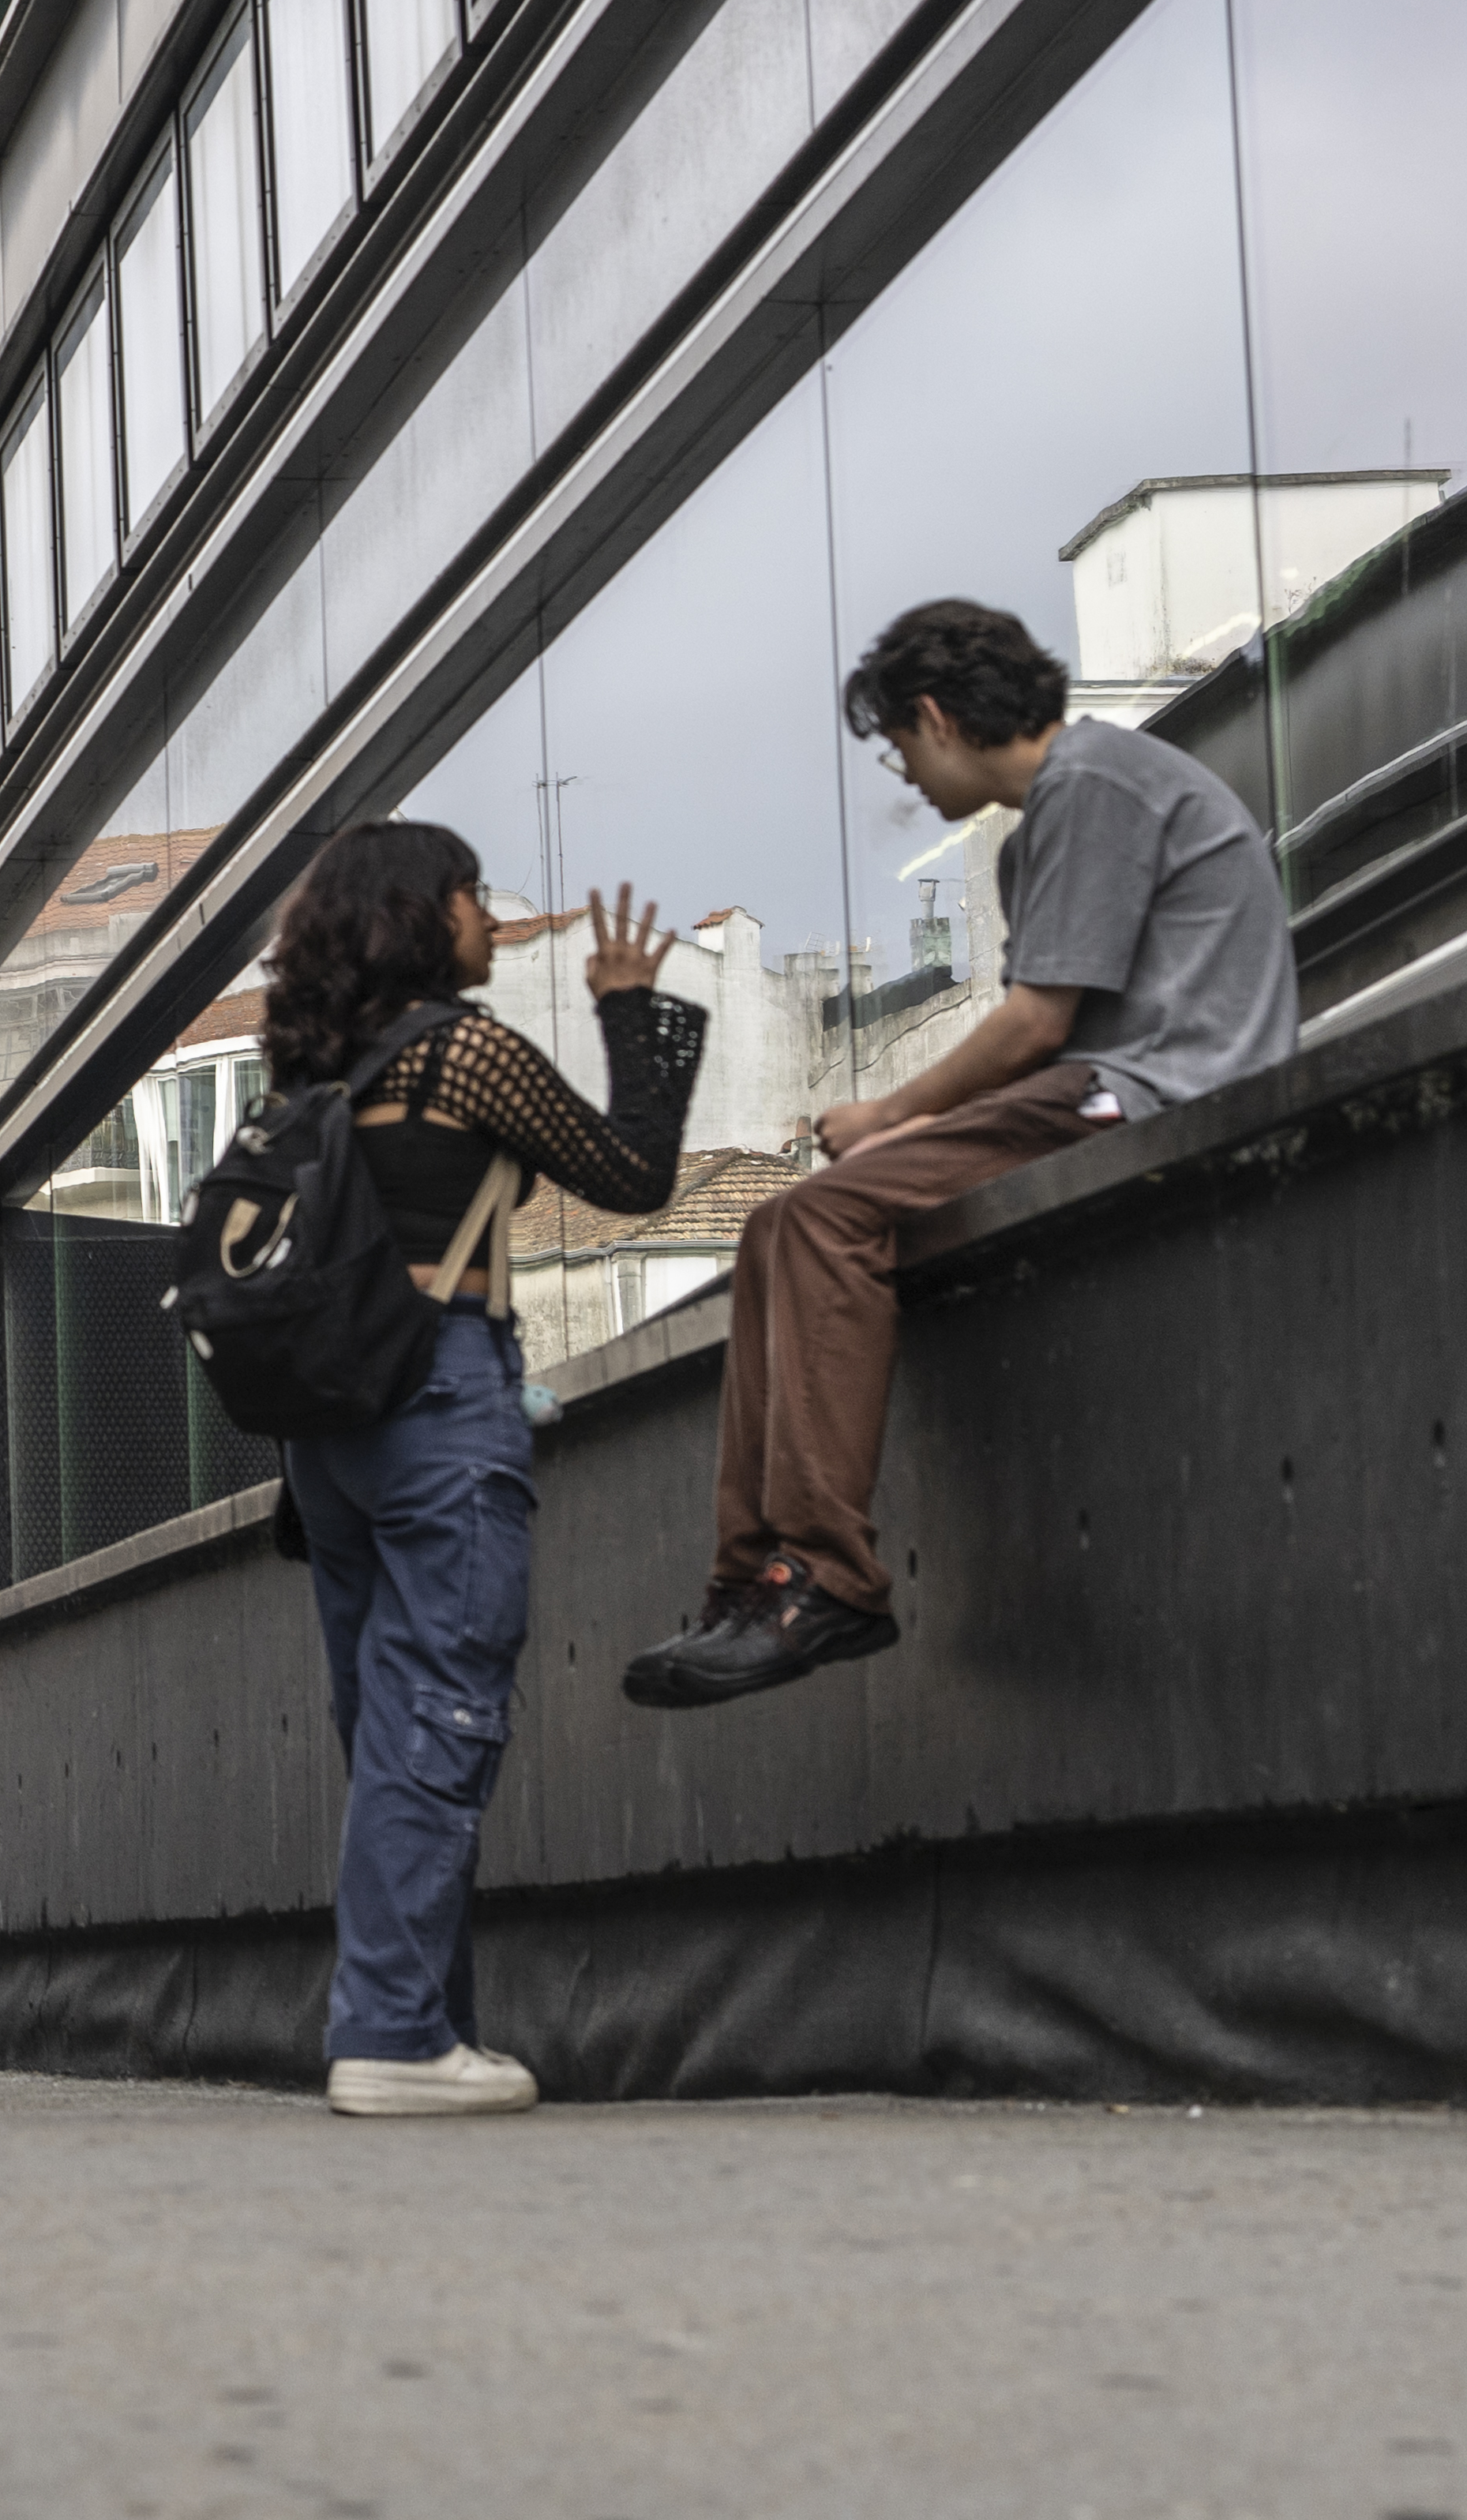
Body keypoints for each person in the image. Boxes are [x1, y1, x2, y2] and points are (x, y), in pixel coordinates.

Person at [627, 597, 1298, 1711]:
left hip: (1156, 1086)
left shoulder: (1092, 782)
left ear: (936, 716)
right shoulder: (1051, 819)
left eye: (897, 744)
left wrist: (886, 1114)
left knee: (819, 1213)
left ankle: (825, 1577)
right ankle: (747, 1583)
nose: (902, 773)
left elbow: (1037, 1024)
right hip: (1100, 1082)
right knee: (776, 1225)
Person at [241, 825, 697, 2117]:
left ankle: (428, 2028)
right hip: (437, 1394)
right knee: (437, 1712)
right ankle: (392, 2033)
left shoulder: (309, 1063)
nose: (489, 917)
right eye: (469, 895)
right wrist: (626, 1009)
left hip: (325, 1433)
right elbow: (631, 1175)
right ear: (417, 912)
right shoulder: (460, 1049)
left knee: (385, 1730)